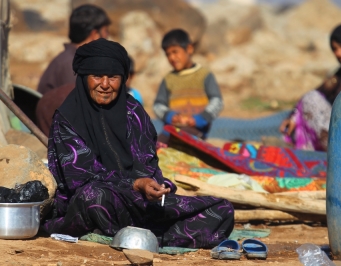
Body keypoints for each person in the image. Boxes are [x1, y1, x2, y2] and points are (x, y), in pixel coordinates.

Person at [42, 38, 234, 248]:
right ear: (84, 77)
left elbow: (147, 164)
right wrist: (133, 184)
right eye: (97, 76)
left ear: (123, 79)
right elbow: (81, 179)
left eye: (113, 77)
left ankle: (139, 236)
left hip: (139, 202)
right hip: (96, 201)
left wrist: (155, 186)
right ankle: (152, 236)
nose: (105, 85)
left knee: (221, 209)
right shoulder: (68, 119)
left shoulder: (134, 113)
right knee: (93, 197)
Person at [279, 23, 341, 151]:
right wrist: (293, 117)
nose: (338, 53)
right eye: (335, 49)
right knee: (310, 99)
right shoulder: (340, 75)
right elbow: (318, 93)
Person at [153, 29, 223, 143]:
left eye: (175, 52)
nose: (171, 57)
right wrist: (170, 116)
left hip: (196, 130)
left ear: (189, 49)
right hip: (170, 130)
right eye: (168, 54)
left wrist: (200, 119)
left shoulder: (204, 75)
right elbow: (158, 105)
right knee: (154, 148)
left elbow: (217, 101)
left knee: (183, 143)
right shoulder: (168, 79)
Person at [37, 4, 110, 95]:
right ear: (94, 34)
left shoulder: (72, 60)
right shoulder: (72, 64)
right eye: (105, 31)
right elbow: (78, 105)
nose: (107, 36)